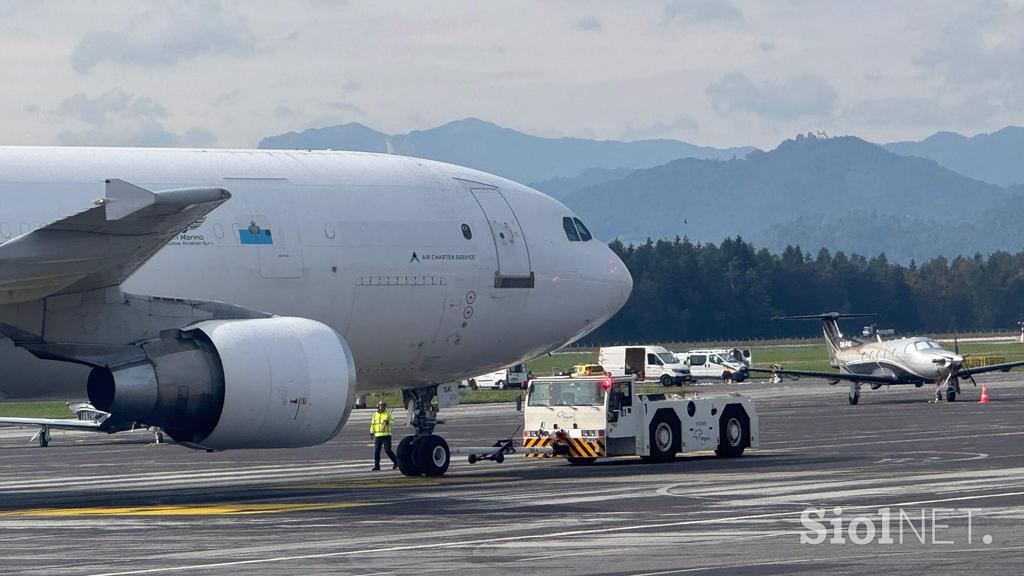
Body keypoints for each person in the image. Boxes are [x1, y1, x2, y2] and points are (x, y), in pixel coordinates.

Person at [370, 400, 397, 470]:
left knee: (387, 450)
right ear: (378, 406)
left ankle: (396, 462)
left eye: (382, 406)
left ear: (385, 406)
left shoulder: (388, 413)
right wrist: (371, 432)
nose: (381, 407)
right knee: (376, 451)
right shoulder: (375, 414)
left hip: (386, 435)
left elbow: (393, 422)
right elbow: (373, 424)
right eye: (380, 406)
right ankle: (377, 466)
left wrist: (388, 422)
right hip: (378, 436)